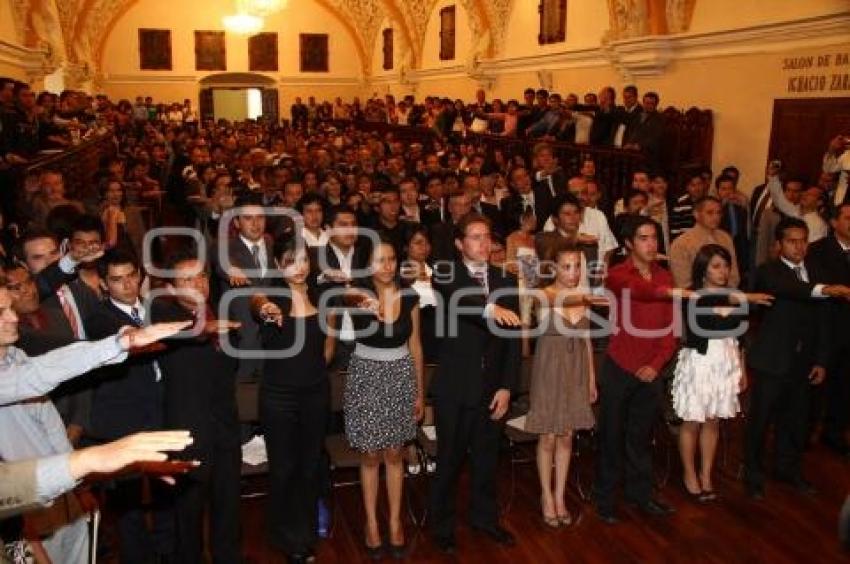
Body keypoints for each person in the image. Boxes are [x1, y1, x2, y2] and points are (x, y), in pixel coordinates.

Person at [429, 214, 522, 554]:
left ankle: (485, 520)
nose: (484, 244)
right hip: (455, 386)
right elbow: (460, 301)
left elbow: (512, 341)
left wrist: (507, 386)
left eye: (487, 237)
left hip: (491, 387)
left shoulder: (505, 279)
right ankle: (441, 527)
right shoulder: (445, 273)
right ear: (459, 243)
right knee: (450, 461)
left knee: (486, 461)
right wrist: (490, 310)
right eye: (475, 237)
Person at [744, 217, 850, 500]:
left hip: (804, 361)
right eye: (792, 241)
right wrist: (824, 290)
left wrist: (821, 360)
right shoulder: (769, 272)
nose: (799, 246)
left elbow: (824, 320)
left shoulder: (816, 269)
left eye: (803, 240)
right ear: (779, 244)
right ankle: (752, 473)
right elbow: (790, 290)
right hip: (772, 359)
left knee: (796, 420)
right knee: (761, 419)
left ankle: (787, 469)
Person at [152, 251, 243, 564]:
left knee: (228, 505)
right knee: (188, 514)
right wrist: (204, 328)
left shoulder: (221, 315)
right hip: (188, 434)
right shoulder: (165, 318)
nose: (197, 284)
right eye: (186, 279)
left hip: (226, 429)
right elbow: (183, 335)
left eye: (201, 276)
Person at [250, 240, 334, 563]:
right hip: (278, 397)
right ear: (277, 263)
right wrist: (265, 310)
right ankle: (284, 536)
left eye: (302, 260)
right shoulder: (271, 298)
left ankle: (306, 533)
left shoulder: (322, 298)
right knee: (284, 468)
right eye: (290, 261)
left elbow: (328, 348)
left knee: (310, 465)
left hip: (315, 393)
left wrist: (312, 371)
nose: (298, 267)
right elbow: (257, 303)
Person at [341, 237, 424, 559]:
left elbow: (416, 346)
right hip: (366, 375)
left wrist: (419, 390)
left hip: (401, 374)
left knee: (394, 453)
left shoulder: (409, 295)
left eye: (391, 259)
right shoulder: (356, 294)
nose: (387, 266)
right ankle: (372, 523)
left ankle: (394, 522)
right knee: (370, 455)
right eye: (379, 259)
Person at [593, 216, 679, 524]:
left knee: (641, 438)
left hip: (651, 370)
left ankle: (640, 495)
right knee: (611, 437)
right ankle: (604, 498)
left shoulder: (666, 276)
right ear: (628, 243)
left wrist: (655, 365)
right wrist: (670, 292)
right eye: (643, 238)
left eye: (654, 237)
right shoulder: (616, 275)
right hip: (620, 366)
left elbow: (672, 328)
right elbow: (637, 290)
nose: (651, 244)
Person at [672, 244, 772, 502]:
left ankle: (706, 474)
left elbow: (740, 336)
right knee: (692, 421)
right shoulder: (693, 295)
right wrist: (741, 300)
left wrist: (741, 367)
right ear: (703, 270)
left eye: (726, 265)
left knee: (713, 421)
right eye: (716, 266)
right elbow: (703, 322)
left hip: (726, 361)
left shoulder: (734, 295)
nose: (723, 271)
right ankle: (689, 473)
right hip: (700, 363)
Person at [526, 245, 599, 527]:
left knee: (567, 436)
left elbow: (587, 339)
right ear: (554, 268)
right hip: (549, 371)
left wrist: (591, 377)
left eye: (577, 266)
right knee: (548, 437)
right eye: (566, 266)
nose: (573, 272)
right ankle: (546, 495)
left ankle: (560, 496)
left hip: (576, 369)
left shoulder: (583, 299)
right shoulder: (545, 295)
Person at [808, 203, 850, 458]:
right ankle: (804, 432)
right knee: (815, 386)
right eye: (848, 218)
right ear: (834, 223)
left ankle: (834, 433)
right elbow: (815, 289)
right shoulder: (818, 251)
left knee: (844, 386)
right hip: (826, 327)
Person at [669, 196, 741, 289]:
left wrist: (726, 296)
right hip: (694, 299)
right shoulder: (681, 243)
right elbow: (683, 282)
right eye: (710, 213)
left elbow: (734, 276)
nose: (716, 217)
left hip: (726, 295)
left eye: (719, 213)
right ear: (696, 214)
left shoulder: (725, 238)